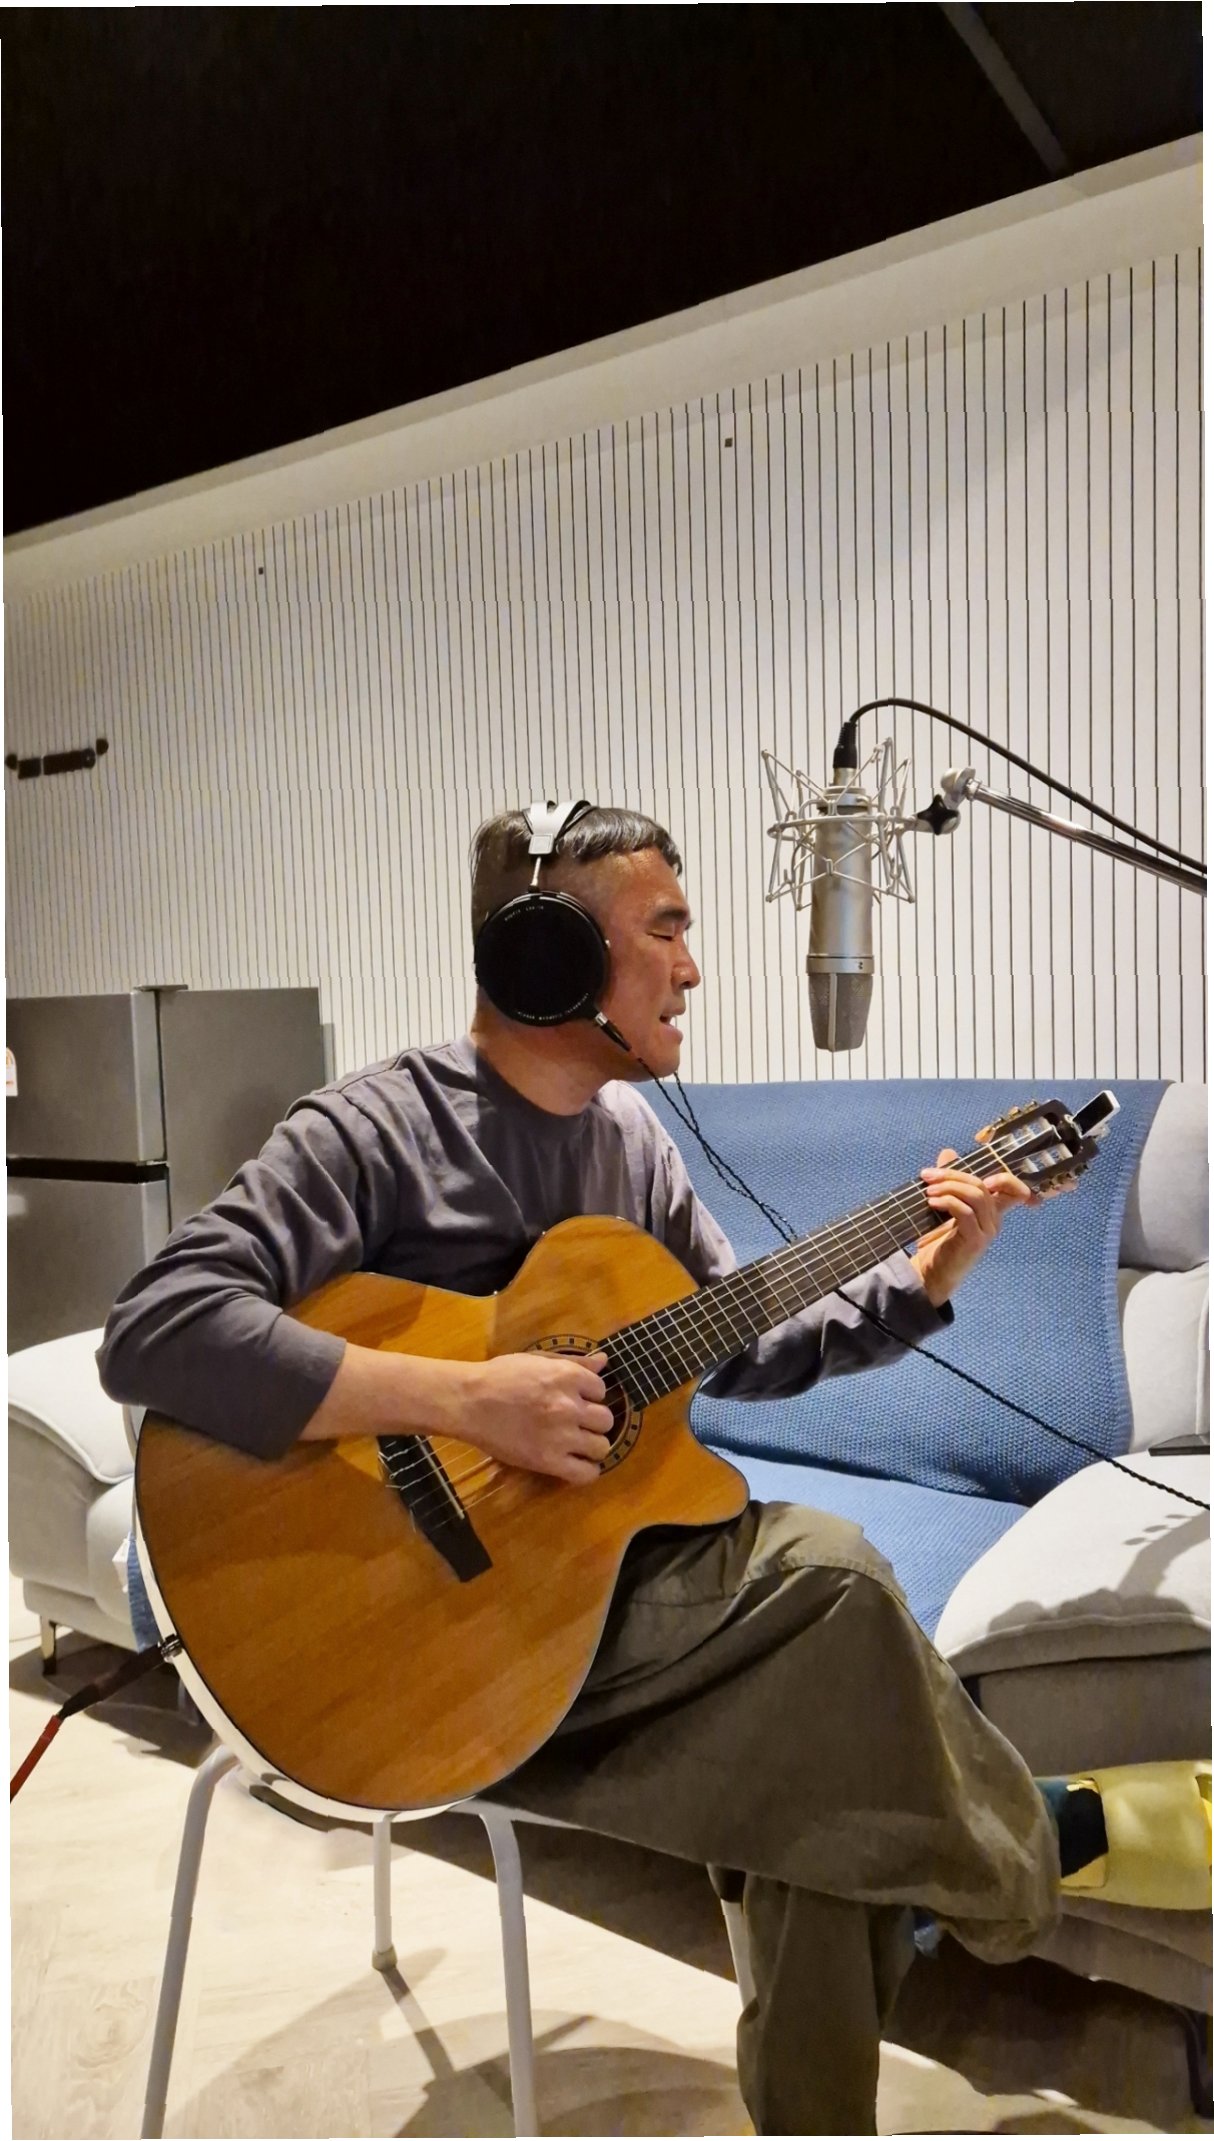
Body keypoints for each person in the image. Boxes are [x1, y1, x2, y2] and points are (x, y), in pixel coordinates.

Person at [98, 803, 1210, 2136]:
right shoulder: (377, 1128)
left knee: (825, 1747)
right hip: (437, 1647)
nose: (692, 968)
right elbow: (157, 1327)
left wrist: (925, 1276)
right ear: (551, 958)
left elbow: (741, 1343)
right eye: (666, 931)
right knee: (834, 1581)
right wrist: (469, 1398)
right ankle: (1030, 1845)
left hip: (592, 1599)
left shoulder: (628, 1146)